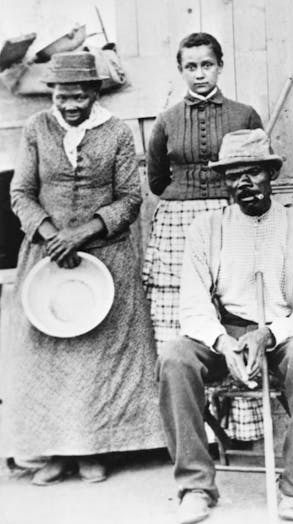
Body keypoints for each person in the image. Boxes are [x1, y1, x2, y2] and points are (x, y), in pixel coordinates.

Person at [1, 51, 163, 484]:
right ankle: (55, 452)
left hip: (106, 257)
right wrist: (52, 233)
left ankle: (96, 450)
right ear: (51, 93)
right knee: (48, 356)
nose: (69, 105)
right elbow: (21, 193)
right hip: (46, 255)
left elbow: (130, 197)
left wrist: (83, 233)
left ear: (94, 92)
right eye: (61, 95)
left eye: (78, 96)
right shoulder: (37, 128)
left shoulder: (117, 133)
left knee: (98, 357)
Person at [158, 129, 293, 523]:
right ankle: (196, 486)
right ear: (225, 181)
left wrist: (269, 333)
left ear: (271, 174)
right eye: (235, 175)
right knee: (174, 358)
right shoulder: (206, 229)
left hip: (283, 334)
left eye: (254, 172)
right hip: (226, 334)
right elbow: (194, 306)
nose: (245, 183)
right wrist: (222, 342)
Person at [144, 31, 265, 443]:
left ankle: (240, 430)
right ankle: (200, 437)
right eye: (190, 66)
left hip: (230, 217)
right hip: (178, 224)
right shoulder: (167, 120)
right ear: (181, 71)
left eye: (206, 65)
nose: (199, 74)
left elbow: (259, 174)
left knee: (233, 312)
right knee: (185, 320)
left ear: (220, 65)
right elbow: (158, 179)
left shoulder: (244, 114)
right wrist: (188, 201)